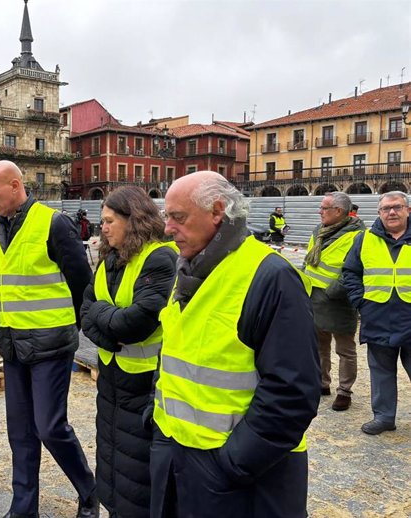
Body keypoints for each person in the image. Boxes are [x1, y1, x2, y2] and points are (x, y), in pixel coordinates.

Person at [151, 171, 320, 517]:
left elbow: (293, 392)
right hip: (182, 456)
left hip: (242, 476)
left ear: (216, 211)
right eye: (167, 217)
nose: (168, 228)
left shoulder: (270, 276)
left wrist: (232, 464)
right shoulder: (189, 269)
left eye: (177, 217)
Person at [0, 160, 99, 518]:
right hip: (14, 346)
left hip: (50, 345)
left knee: (50, 427)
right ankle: (23, 509)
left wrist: (70, 331)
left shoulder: (53, 224)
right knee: (21, 432)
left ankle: (90, 493)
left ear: (15, 186)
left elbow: (83, 284)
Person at [80, 186, 177, 517]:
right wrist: (107, 336)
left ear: (133, 219)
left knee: (137, 469)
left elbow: (138, 322)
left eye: (109, 221)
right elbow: (86, 310)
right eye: (101, 221)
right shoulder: (110, 258)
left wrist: (102, 317)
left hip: (143, 383)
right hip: (111, 378)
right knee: (111, 458)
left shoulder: (159, 257)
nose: (102, 228)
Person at [342, 191, 411, 435]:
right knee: (381, 372)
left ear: (407, 210)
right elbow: (350, 272)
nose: (392, 212)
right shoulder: (364, 239)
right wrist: (359, 301)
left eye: (397, 207)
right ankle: (384, 417)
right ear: (379, 213)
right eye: (386, 208)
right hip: (378, 316)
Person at [303, 192, 365, 411]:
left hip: (338, 301)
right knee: (319, 345)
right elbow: (308, 261)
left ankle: (345, 391)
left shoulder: (358, 236)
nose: (320, 211)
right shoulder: (318, 231)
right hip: (314, 298)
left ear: (338, 211)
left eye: (324, 208)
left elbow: (354, 269)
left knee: (345, 349)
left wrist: (333, 292)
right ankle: (322, 383)